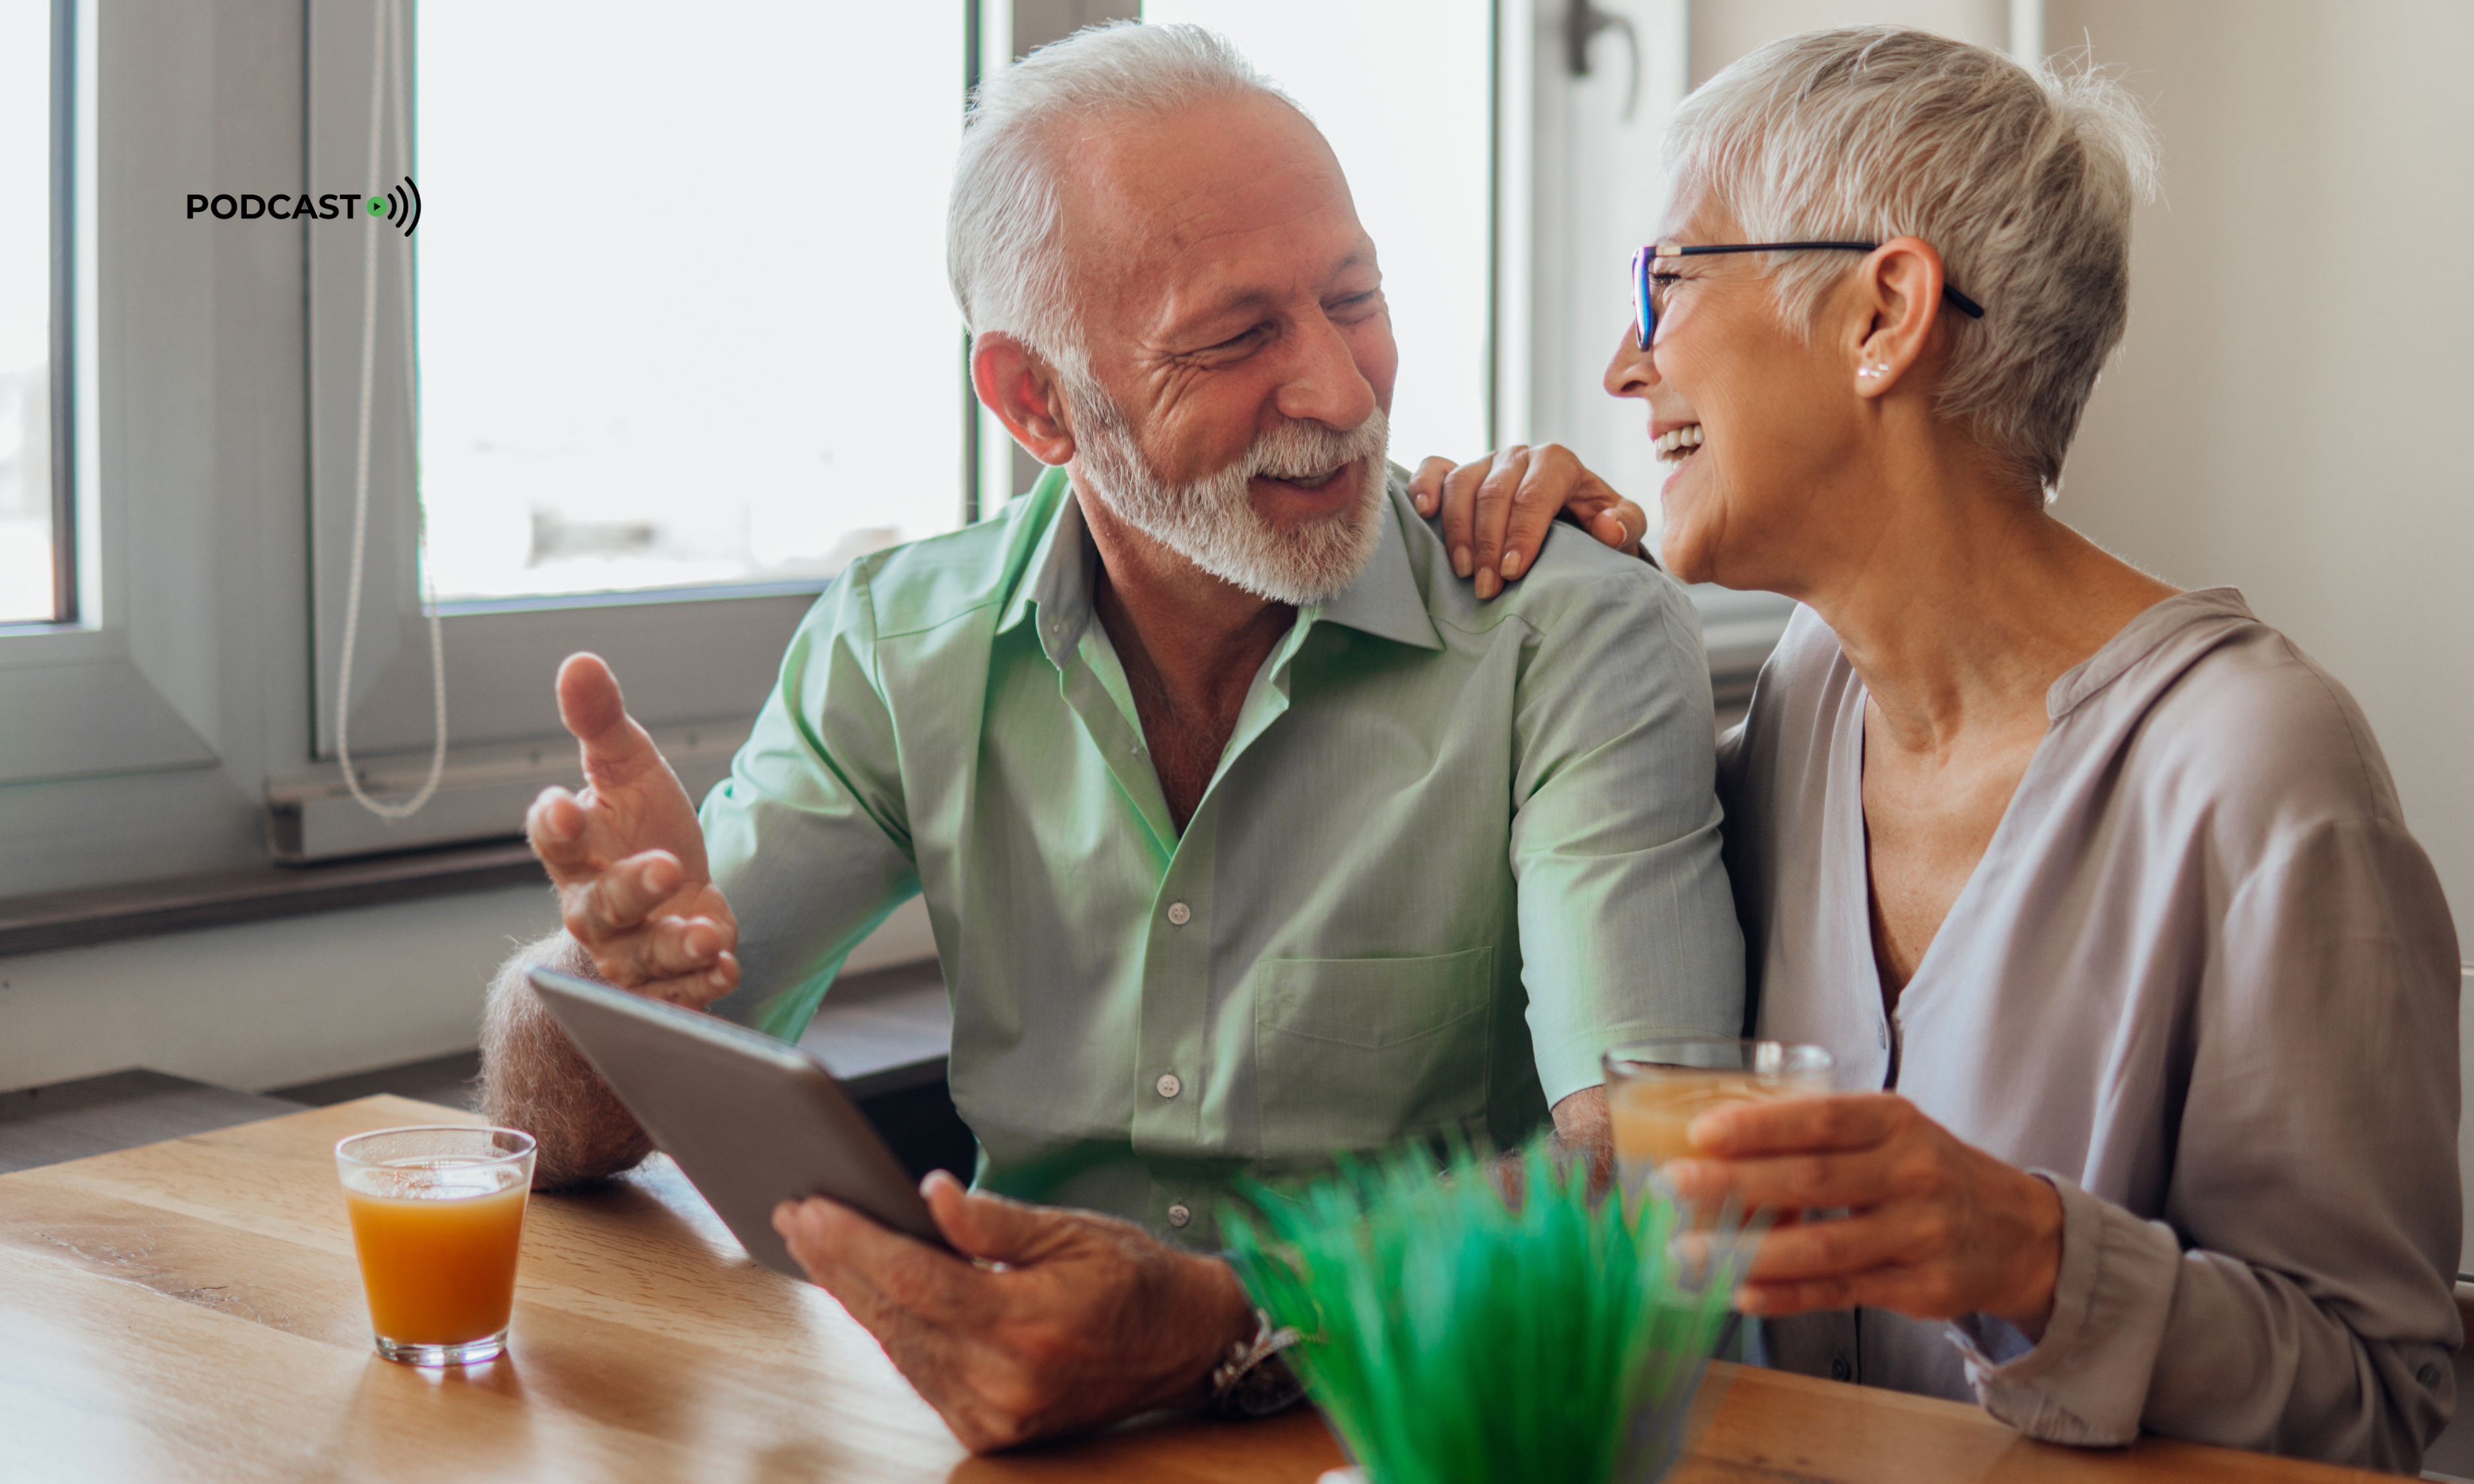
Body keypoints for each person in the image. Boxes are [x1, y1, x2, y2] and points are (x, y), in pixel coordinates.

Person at [475, 22, 1744, 1452]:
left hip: (1423, 1435)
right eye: (1237, 337)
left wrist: (1223, 1324)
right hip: (1023, 1434)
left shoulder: (1564, 632)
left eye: (1355, 297)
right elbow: (578, 1133)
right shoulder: (901, 648)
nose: (1339, 391)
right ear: (1037, 402)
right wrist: (599, 977)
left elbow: (1652, 1168)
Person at [1424, 24, 2461, 1474]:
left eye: (1666, 283)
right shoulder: (1804, 699)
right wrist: (1548, 589)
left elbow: (2390, 1404)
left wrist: (2041, 1257)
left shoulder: (2262, 772)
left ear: (1884, 313)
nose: (1621, 361)